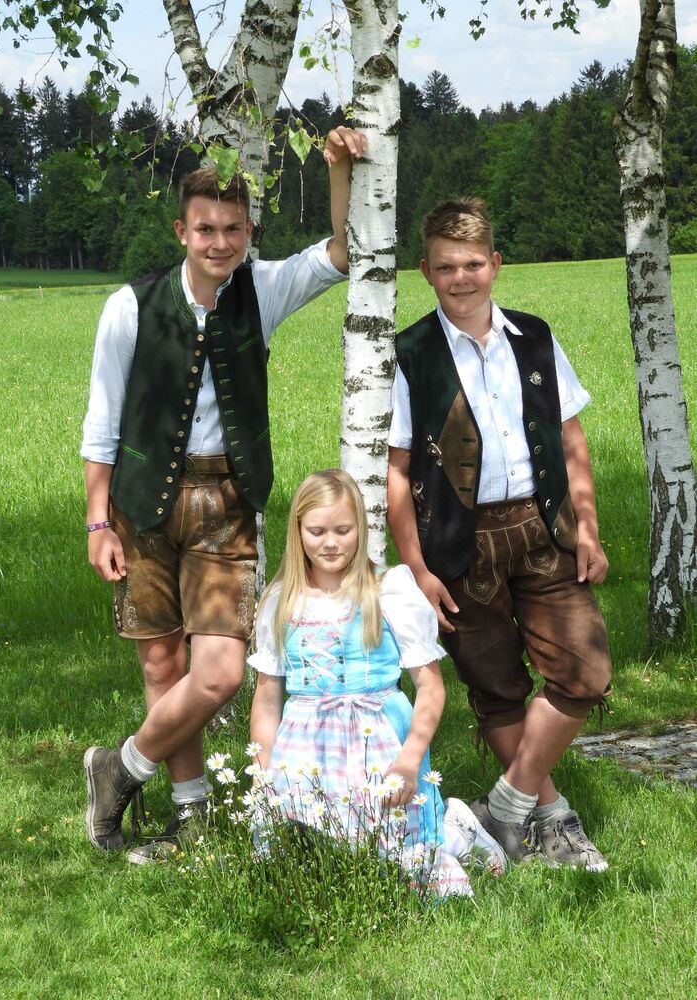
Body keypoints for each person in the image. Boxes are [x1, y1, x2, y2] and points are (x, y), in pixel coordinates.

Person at [82, 127, 366, 863]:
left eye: (233, 229)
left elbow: (340, 253)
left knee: (220, 673)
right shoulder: (130, 307)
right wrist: (97, 522)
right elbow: (101, 421)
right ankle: (191, 814)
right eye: (205, 229)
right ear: (182, 231)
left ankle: (120, 768)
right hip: (142, 503)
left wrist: (337, 171)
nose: (219, 242)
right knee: (162, 666)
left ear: (248, 233)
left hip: (226, 502)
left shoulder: (261, 290)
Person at [387, 198, 612, 872]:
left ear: (496, 264)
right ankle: (552, 819)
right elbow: (397, 471)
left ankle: (506, 807)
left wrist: (588, 528)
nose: (461, 278)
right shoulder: (411, 355)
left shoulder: (534, 338)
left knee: (585, 671)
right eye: (446, 267)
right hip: (459, 543)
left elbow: (571, 438)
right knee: (497, 688)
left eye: (473, 264)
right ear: (426, 271)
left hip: (545, 528)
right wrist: (417, 568)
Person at [248, 469, 506, 900]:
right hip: (305, 749)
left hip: (378, 743)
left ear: (361, 529)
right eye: (317, 532)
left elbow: (431, 687)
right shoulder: (281, 599)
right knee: (302, 875)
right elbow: (268, 698)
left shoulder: (387, 591)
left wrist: (410, 759)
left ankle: (457, 831)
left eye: (343, 530)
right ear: (297, 531)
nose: (330, 543)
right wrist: (263, 772)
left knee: (406, 875)